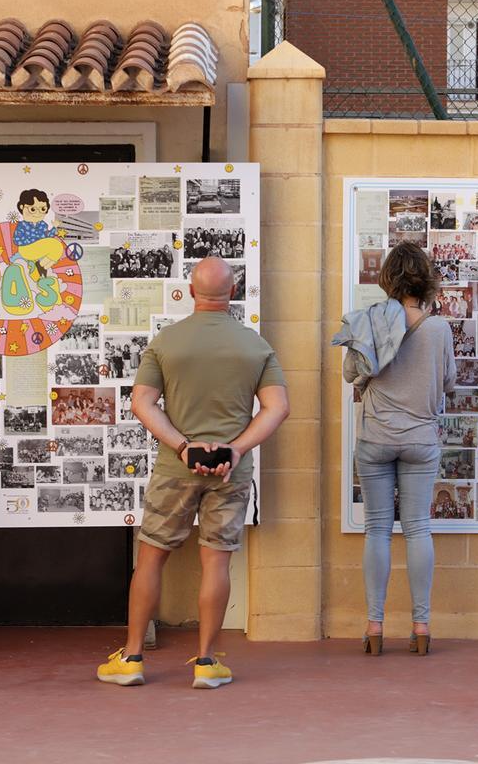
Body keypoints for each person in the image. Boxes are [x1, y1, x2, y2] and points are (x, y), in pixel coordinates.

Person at [96, 257, 289, 690]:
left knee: (150, 558)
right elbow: (278, 407)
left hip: (174, 467)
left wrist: (183, 446)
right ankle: (206, 662)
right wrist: (236, 448)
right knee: (216, 561)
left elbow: (142, 403)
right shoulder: (255, 346)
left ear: (188, 290)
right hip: (230, 472)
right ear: (233, 293)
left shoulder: (167, 342)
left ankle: (131, 659)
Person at [343, 242, 455, 657]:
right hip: (421, 440)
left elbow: (350, 375)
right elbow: (448, 383)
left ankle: (374, 626)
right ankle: (421, 627)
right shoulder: (438, 329)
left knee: (377, 529)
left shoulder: (369, 322)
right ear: (425, 279)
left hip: (375, 437)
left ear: (388, 278)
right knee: (417, 529)